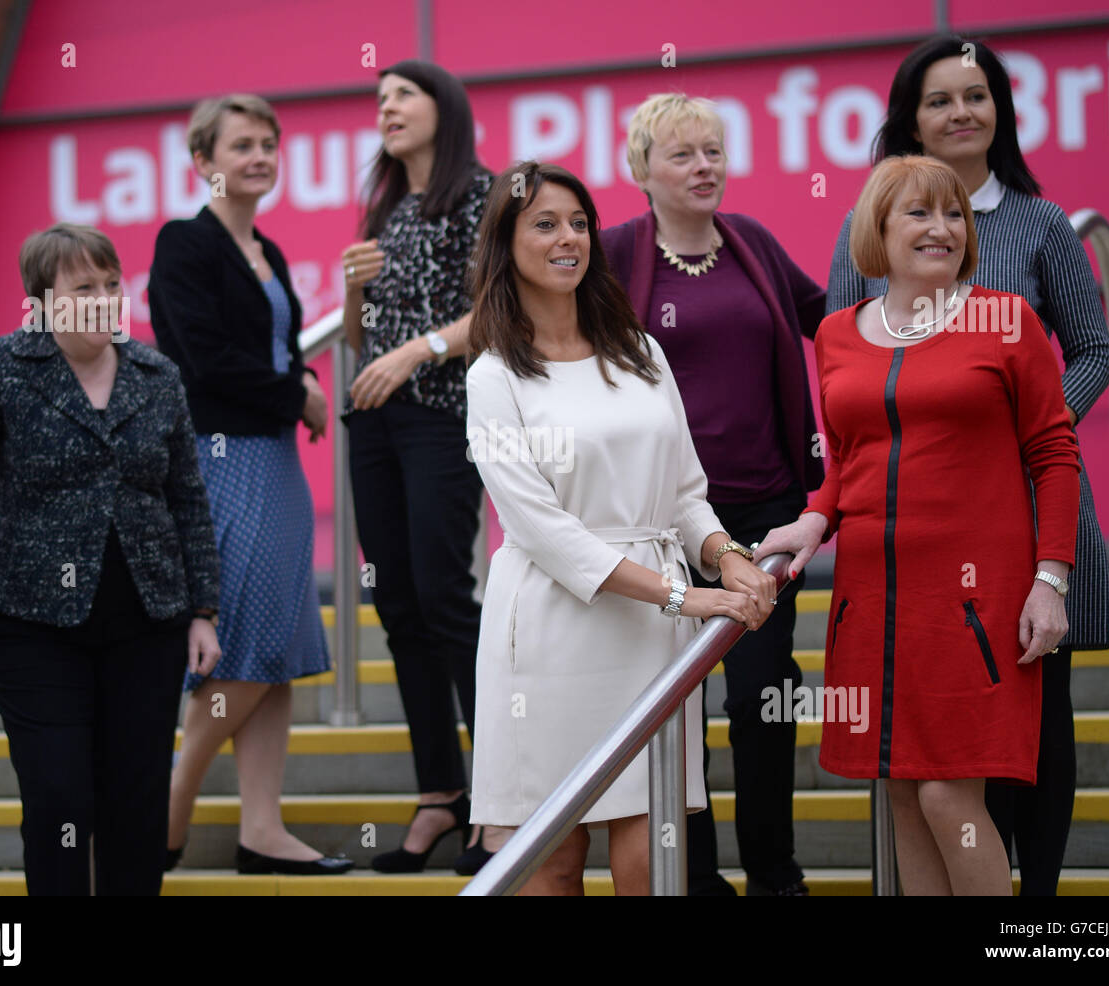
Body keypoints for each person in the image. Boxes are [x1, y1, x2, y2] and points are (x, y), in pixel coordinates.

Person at [825, 36, 1109, 895]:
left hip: (1029, 519)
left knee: (1032, 733)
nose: (961, 112)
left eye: (978, 95)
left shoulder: (1040, 224)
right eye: (940, 99)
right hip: (905, 544)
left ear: (1001, 111)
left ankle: (1035, 913)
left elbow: (1093, 350)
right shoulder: (871, 226)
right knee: (923, 775)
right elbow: (857, 378)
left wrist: (1020, 427)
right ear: (908, 119)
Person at [758, 155, 1080, 895]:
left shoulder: (1008, 320)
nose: (942, 229)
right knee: (902, 791)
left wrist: (1050, 579)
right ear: (877, 229)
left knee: (946, 793)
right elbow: (850, 458)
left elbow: (1054, 454)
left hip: (974, 600)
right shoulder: (838, 334)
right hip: (871, 598)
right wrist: (815, 519)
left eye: (955, 215)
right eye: (919, 213)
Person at [466, 161, 776, 895]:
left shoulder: (641, 352)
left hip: (647, 643)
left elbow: (684, 494)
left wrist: (727, 558)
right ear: (506, 244)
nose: (568, 237)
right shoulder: (492, 375)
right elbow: (541, 531)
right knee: (555, 863)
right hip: (548, 634)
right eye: (545, 224)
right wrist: (683, 596)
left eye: (579, 222)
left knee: (651, 864)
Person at [0, 223, 221, 895]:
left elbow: (188, 499)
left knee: (134, 810)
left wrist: (204, 611)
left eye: (111, 283)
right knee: (61, 804)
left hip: (149, 626)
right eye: (83, 287)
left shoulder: (156, 375)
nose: (104, 298)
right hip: (38, 632)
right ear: (42, 301)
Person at [599, 93, 825, 896]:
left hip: (764, 517)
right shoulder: (614, 253)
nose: (704, 167)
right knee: (677, 701)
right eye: (683, 154)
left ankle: (772, 865)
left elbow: (833, 321)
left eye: (714, 152)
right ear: (642, 171)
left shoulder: (752, 243)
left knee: (764, 691)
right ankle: (693, 872)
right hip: (662, 522)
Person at [148, 94, 349, 875]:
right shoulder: (184, 245)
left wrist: (293, 382)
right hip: (221, 458)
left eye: (269, 144)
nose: (259, 156)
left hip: (276, 461)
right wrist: (296, 391)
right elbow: (200, 361)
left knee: (283, 649)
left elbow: (271, 350)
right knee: (245, 648)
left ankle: (262, 830)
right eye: (242, 146)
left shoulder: (264, 247)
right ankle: (170, 801)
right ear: (205, 162)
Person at [338, 60, 493, 874]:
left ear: (445, 105)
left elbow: (501, 303)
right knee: (396, 602)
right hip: (376, 419)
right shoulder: (387, 205)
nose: (386, 108)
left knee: (442, 595)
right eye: (380, 98)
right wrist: (354, 290)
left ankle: (497, 798)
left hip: (446, 413)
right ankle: (441, 793)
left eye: (403, 94)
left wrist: (419, 350)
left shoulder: (486, 193)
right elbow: (363, 342)